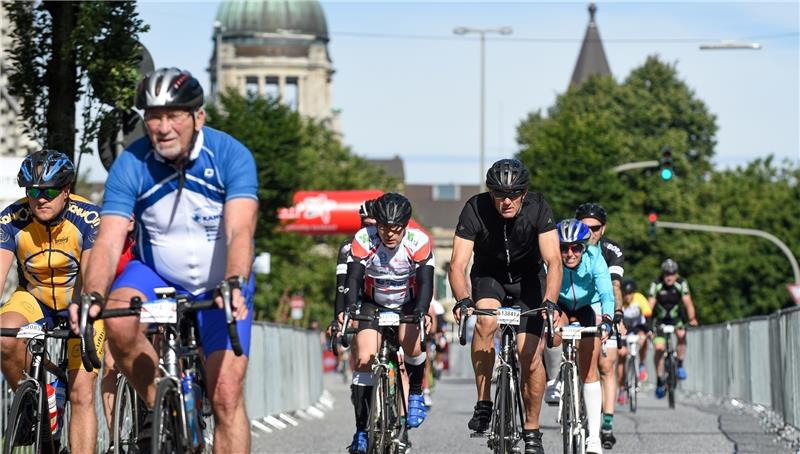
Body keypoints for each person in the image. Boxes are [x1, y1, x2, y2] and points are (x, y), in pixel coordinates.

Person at [71, 67, 258, 453]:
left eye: (174, 115)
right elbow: (108, 241)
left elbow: (241, 231)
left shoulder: (230, 155)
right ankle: (162, 407)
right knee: (119, 321)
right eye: (154, 116)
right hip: (155, 272)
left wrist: (234, 280)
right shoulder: (132, 163)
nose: (163, 126)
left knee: (225, 395)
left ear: (198, 117)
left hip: (220, 278)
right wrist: (91, 295)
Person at [449, 158, 561, 454]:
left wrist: (549, 302)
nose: (506, 201)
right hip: (490, 276)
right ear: (490, 192)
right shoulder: (475, 208)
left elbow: (554, 261)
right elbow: (458, 264)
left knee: (530, 355)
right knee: (486, 321)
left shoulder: (538, 207)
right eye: (499, 194)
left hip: (528, 280)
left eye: (513, 194)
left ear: (525, 193)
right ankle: (484, 401)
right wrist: (462, 299)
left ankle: (532, 428)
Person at [0, 150, 105, 454]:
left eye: (48, 191)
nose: (40, 198)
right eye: (32, 191)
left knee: (81, 391)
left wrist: (84, 306)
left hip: (78, 299)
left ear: (66, 191)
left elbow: (89, 275)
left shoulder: (88, 217)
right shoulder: (12, 219)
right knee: (5, 335)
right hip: (34, 297)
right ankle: (32, 403)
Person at [335, 193, 434, 454]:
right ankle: (361, 430)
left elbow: (425, 283)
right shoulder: (363, 239)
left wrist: (422, 311)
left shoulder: (418, 241)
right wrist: (349, 310)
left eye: (396, 229)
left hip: (408, 302)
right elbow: (353, 279)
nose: (389, 234)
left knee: (412, 344)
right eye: (383, 228)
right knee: (365, 358)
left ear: (405, 226)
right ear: (376, 224)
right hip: (374, 301)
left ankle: (414, 393)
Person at [552, 219, 615, 454]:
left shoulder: (595, 258)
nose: (570, 253)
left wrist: (607, 319)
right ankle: (554, 379)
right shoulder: (552, 259)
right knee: (553, 331)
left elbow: (606, 292)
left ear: (584, 247)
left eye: (576, 247)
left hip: (587, 308)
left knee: (590, 371)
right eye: (564, 248)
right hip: (561, 306)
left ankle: (594, 438)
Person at [577, 203, 624, 449]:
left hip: (603, 307)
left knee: (606, 364)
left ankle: (606, 423)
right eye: (584, 228)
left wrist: (616, 314)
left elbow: (614, 287)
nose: (590, 233)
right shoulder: (569, 246)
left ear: (602, 229)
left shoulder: (610, 251)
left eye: (595, 228)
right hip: (575, 307)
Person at [648, 258, 697, 399]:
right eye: (667, 273)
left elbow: (688, 302)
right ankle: (659, 380)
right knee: (658, 348)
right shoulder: (656, 284)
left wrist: (692, 318)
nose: (669, 276)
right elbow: (649, 306)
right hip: (660, 321)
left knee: (682, 334)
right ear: (663, 274)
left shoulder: (681, 284)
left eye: (672, 273)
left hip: (676, 318)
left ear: (676, 274)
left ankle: (680, 364)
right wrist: (647, 326)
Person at [615, 279, 651, 404]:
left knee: (644, 338)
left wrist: (649, 330)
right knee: (621, 355)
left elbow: (647, 315)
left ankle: (641, 364)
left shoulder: (639, 298)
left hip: (638, 327)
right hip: (625, 329)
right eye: (625, 293)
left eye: (630, 293)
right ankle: (621, 388)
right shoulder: (620, 303)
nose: (627, 296)